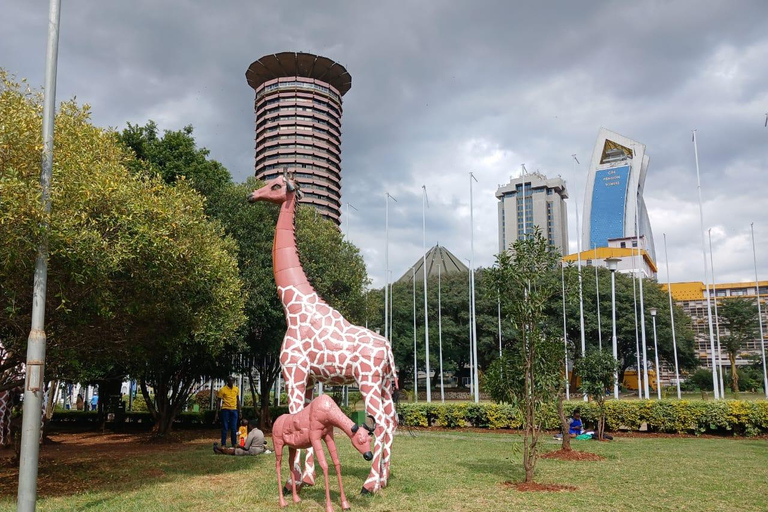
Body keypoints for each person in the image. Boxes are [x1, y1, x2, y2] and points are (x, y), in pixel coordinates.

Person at [216, 376, 240, 448]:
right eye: (230, 381)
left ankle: (234, 443)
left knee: (234, 428)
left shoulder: (236, 389)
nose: (231, 382)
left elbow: (238, 400)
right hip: (225, 410)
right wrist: (217, 413)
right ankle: (223, 444)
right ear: (227, 381)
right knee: (225, 427)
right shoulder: (222, 390)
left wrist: (240, 411)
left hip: (234, 409)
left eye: (232, 381)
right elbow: (218, 401)